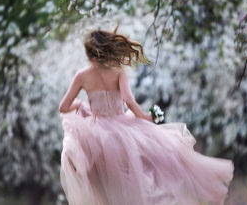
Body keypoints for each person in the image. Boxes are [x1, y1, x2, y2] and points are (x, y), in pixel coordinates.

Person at [59, 27, 234, 205]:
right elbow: (129, 101)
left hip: (97, 136)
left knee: (105, 184)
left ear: (90, 53)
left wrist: (79, 105)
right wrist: (142, 116)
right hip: (123, 128)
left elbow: (63, 107)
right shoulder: (118, 71)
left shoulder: (81, 75)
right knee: (148, 168)